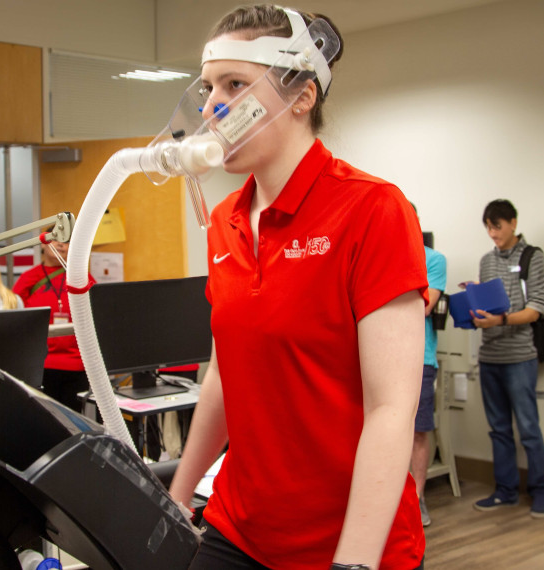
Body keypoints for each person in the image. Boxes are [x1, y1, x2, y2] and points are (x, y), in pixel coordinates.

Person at [167, 6, 428, 569]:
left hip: (348, 541)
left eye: (235, 84)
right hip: (239, 526)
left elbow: (391, 408)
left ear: (302, 97)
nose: (213, 106)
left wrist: (353, 562)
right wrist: (178, 494)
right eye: (209, 86)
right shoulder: (225, 221)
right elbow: (224, 375)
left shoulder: (371, 211)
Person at [469, 199, 544, 518]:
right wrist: (475, 305)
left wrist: (500, 321)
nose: (492, 233)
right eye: (488, 227)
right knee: (498, 429)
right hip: (490, 356)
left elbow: (537, 309)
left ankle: (541, 491)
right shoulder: (486, 261)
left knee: (529, 428)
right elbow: (487, 307)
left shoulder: (534, 257)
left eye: (497, 226)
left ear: (513, 223)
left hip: (520, 357)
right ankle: (505, 492)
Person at [13, 236, 93, 412]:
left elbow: (96, 316)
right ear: (44, 243)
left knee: (73, 420)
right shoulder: (28, 278)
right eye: (55, 239)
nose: (60, 244)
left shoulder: (81, 278)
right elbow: (15, 316)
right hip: (40, 365)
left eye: (65, 241)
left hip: (76, 365)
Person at [409, 204, 447, 527]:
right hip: (373, 357)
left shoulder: (433, 260)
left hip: (420, 358)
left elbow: (423, 306)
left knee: (419, 430)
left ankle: (417, 498)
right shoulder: (375, 254)